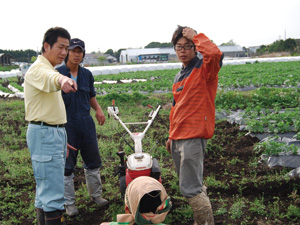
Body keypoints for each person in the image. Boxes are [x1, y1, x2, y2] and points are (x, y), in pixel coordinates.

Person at [166, 25, 224, 225]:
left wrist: (196, 36)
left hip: (193, 137)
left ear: (195, 47)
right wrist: (171, 135)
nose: (183, 51)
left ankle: (205, 222)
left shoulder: (204, 69)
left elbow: (215, 54)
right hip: (178, 138)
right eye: (179, 47)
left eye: (188, 46)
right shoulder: (179, 76)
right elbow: (176, 108)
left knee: (191, 188)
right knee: (190, 184)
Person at [24, 27, 77, 225]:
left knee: (44, 190)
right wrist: (63, 79)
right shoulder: (40, 70)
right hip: (46, 133)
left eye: (67, 48)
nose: (65, 52)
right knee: (53, 193)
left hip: (50, 133)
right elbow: (54, 79)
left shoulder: (47, 68)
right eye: (60, 47)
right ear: (47, 46)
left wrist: (60, 139)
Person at [56, 38, 108, 216]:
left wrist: (98, 109)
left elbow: (91, 95)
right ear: (67, 52)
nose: (77, 54)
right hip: (67, 124)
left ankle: (96, 195)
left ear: (83, 54)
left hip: (86, 123)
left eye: (80, 51)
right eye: (73, 51)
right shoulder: (58, 73)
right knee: (67, 164)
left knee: (93, 160)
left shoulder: (87, 74)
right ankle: (69, 203)